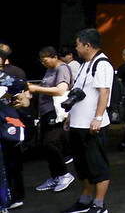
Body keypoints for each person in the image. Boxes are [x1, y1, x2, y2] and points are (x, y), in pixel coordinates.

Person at [61, 28, 113, 213]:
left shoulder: (102, 64)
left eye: (78, 45)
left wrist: (97, 118)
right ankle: (84, 200)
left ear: (87, 45)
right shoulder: (85, 64)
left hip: (92, 125)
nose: (76, 48)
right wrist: (70, 116)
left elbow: (104, 92)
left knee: (97, 165)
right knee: (81, 165)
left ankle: (99, 204)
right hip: (78, 123)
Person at [28, 46, 75, 194]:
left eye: (45, 60)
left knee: (51, 143)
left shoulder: (62, 69)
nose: (43, 63)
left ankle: (64, 174)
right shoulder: (50, 70)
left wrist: (36, 89)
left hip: (55, 111)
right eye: (41, 61)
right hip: (46, 111)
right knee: (45, 144)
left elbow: (61, 90)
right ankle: (56, 175)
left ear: (55, 57)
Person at [0, 43, 28, 210]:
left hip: (6, 126)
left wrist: (19, 99)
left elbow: (24, 93)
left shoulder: (10, 76)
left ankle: (8, 201)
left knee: (10, 165)